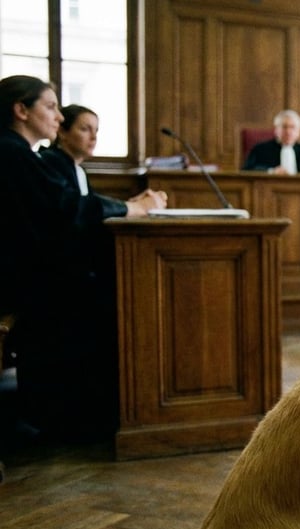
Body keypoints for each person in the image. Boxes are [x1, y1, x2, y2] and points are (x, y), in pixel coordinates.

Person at [0, 76, 166, 445]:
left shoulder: (17, 152)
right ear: (21, 110)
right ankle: (74, 418)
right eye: (51, 106)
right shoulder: (12, 152)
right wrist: (131, 207)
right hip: (19, 279)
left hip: (23, 271)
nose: (58, 117)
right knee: (104, 302)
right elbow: (65, 210)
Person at [242, 109, 300, 175]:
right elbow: (246, 170)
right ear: (276, 129)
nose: (288, 131)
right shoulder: (260, 149)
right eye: (284, 127)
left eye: (292, 127)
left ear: (298, 131)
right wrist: (271, 171)